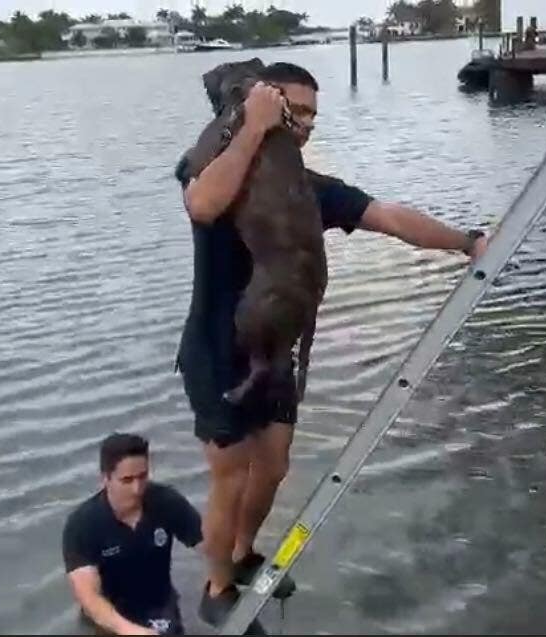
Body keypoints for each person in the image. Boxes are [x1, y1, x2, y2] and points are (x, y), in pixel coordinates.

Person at [172, 62, 491, 628]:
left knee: (272, 466)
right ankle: (215, 586)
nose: (307, 124)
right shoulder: (213, 164)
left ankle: (244, 554)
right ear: (263, 102)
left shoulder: (308, 191)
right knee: (231, 475)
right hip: (217, 350)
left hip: (274, 347)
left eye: (315, 114)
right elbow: (201, 206)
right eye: (296, 109)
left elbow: (388, 217)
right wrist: (252, 127)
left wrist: (466, 243)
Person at [62, 433, 203, 636]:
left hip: (158, 606)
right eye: (127, 480)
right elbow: (89, 597)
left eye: (142, 477)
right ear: (105, 479)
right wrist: (129, 630)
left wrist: (223, 574)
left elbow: (208, 544)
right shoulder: (82, 525)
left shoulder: (167, 502)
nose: (137, 489)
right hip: (108, 616)